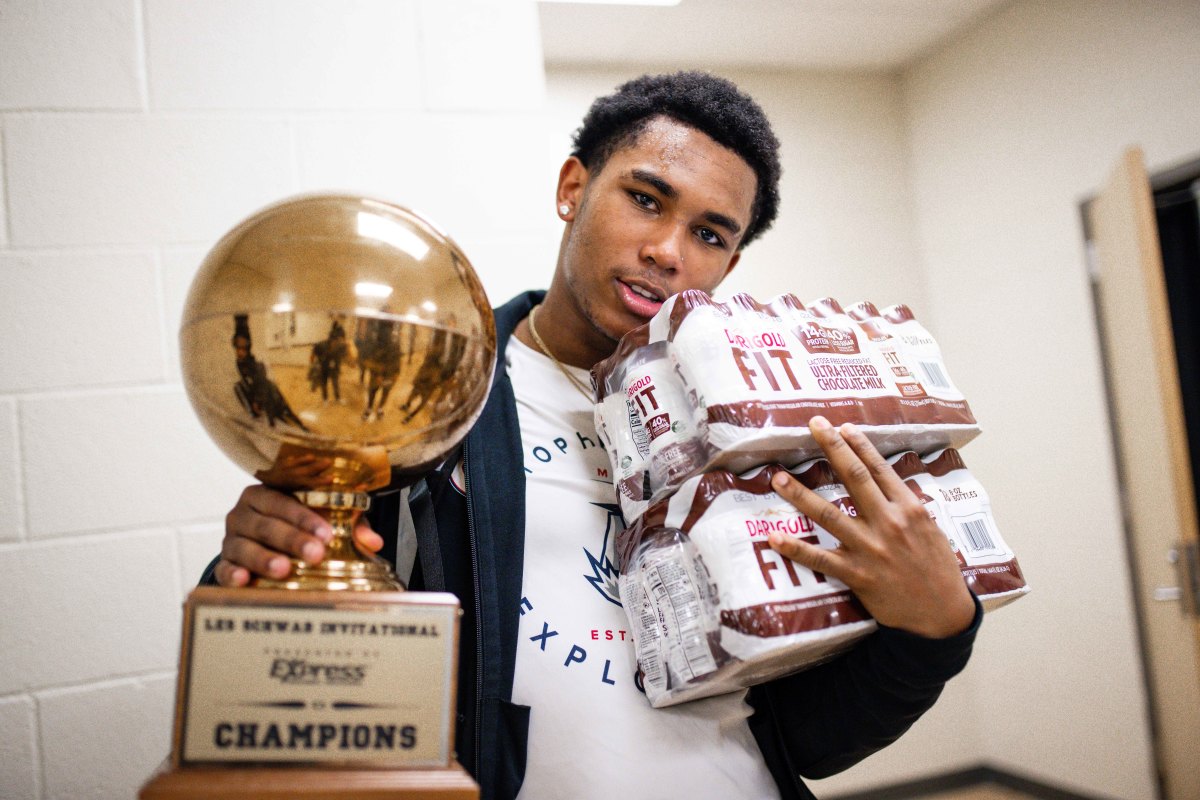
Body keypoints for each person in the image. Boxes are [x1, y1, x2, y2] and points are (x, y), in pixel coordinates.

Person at [208, 71, 980, 800]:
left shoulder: (755, 434)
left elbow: (805, 739)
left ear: (731, 262)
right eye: (646, 199)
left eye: (709, 235)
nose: (669, 252)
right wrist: (258, 557)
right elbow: (307, 632)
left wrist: (934, 631)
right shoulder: (432, 394)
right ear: (573, 189)